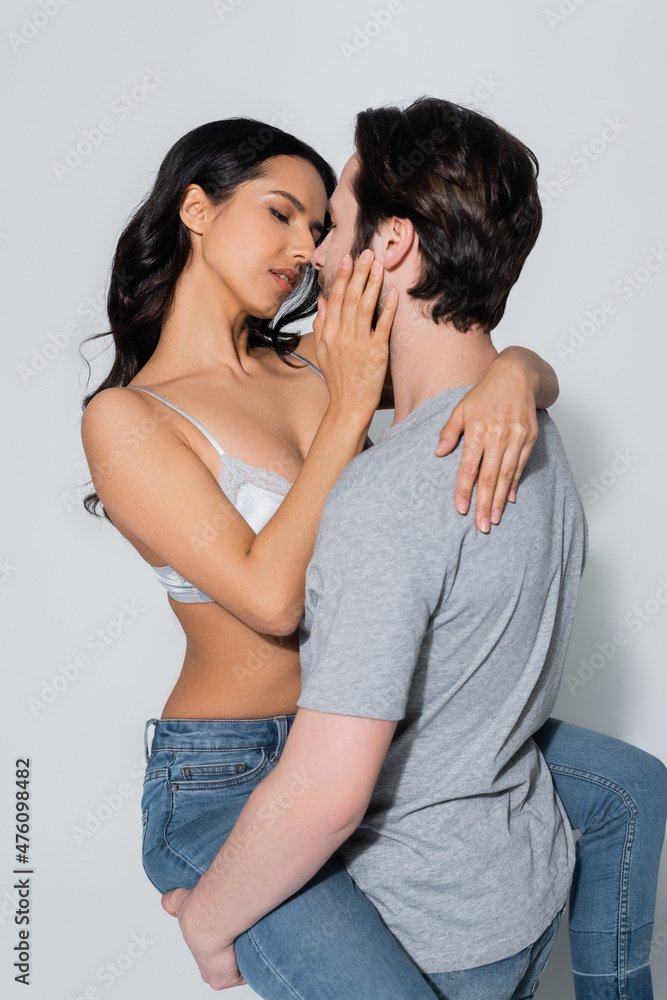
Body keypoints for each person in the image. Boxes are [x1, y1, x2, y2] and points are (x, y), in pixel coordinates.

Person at [79, 114, 667, 1000]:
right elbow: (273, 602)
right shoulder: (127, 419)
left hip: (370, 732)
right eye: (280, 213)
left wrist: (519, 375)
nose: (306, 250)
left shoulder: (316, 363)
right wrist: (349, 412)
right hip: (228, 773)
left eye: (320, 226)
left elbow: (452, 340)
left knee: (626, 786)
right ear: (196, 210)